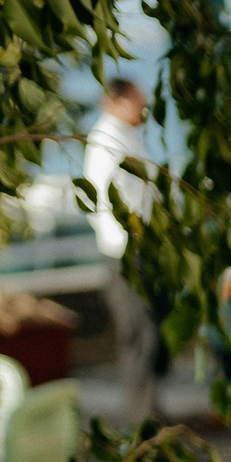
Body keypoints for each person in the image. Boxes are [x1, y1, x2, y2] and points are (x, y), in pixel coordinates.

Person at [82, 77, 160, 424]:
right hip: (124, 250)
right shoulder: (105, 141)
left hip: (141, 245)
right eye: (138, 102)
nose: (143, 109)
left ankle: (151, 411)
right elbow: (101, 200)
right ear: (118, 101)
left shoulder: (126, 137)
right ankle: (142, 418)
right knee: (137, 333)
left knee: (150, 330)